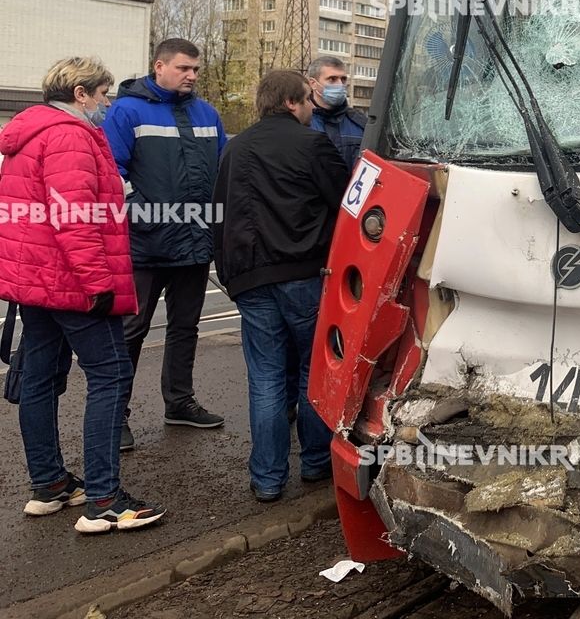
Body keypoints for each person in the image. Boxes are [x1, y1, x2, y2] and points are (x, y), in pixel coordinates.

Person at [0, 58, 164, 532]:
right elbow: (75, 217)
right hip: (71, 280)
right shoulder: (69, 135)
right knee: (111, 375)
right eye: (103, 93)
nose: (108, 102)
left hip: (34, 280)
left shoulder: (26, 135)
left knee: (40, 378)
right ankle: (105, 500)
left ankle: (50, 485)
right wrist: (98, 283)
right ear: (80, 93)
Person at [213, 70, 349, 502]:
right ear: (292, 103)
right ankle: (314, 462)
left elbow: (222, 214)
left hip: (251, 276)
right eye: (308, 100)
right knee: (313, 371)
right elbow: (345, 204)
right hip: (305, 274)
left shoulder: (235, 148)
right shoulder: (312, 144)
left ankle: (268, 479)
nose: (313, 107)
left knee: (266, 377)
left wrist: (230, 274)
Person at [102, 38, 227, 451]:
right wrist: (144, 214)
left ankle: (179, 403)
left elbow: (223, 173)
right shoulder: (126, 110)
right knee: (131, 331)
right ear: (159, 66)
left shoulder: (207, 113)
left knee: (185, 327)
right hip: (145, 245)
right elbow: (110, 174)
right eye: (184, 68)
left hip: (195, 242)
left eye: (195, 69)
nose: (192, 75)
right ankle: (114, 415)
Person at [305, 56, 366, 173]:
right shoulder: (301, 122)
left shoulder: (360, 123)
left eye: (343, 79)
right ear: (313, 83)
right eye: (332, 79)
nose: (340, 85)